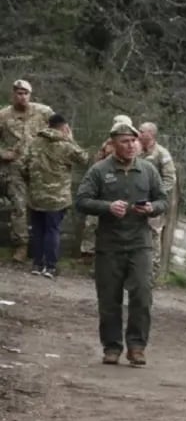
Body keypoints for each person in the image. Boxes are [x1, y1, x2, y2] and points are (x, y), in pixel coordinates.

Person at [75, 121, 168, 366]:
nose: (130, 145)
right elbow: (82, 200)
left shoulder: (147, 170)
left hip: (140, 243)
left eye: (133, 141)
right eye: (125, 141)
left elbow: (163, 200)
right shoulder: (99, 170)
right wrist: (107, 207)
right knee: (109, 298)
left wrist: (151, 208)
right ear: (114, 143)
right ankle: (112, 347)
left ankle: (137, 346)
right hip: (109, 244)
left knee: (142, 294)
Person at [22, 114, 88, 278]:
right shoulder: (65, 145)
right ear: (64, 127)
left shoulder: (34, 142)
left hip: (36, 196)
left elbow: (24, 167)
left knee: (37, 230)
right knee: (52, 230)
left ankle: (37, 264)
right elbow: (84, 159)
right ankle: (50, 266)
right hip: (57, 198)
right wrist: (71, 139)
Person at [0, 79, 54, 263]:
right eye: (18, 93)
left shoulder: (44, 112)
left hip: (40, 167)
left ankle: (43, 248)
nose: (21, 96)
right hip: (15, 168)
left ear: (30, 95)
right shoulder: (4, 115)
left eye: (25, 93)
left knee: (44, 205)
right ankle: (21, 246)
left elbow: (62, 132)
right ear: (13, 94)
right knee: (19, 206)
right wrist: (2, 154)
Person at [81, 114, 136, 265]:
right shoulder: (106, 146)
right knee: (93, 223)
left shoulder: (133, 147)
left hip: (123, 192)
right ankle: (89, 254)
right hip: (102, 191)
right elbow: (96, 166)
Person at [138, 122, 178, 276]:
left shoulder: (162, 153)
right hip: (137, 198)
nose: (139, 133)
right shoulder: (136, 150)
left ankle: (152, 271)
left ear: (151, 134)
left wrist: (158, 195)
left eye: (142, 131)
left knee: (154, 232)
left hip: (153, 201)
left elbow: (170, 178)